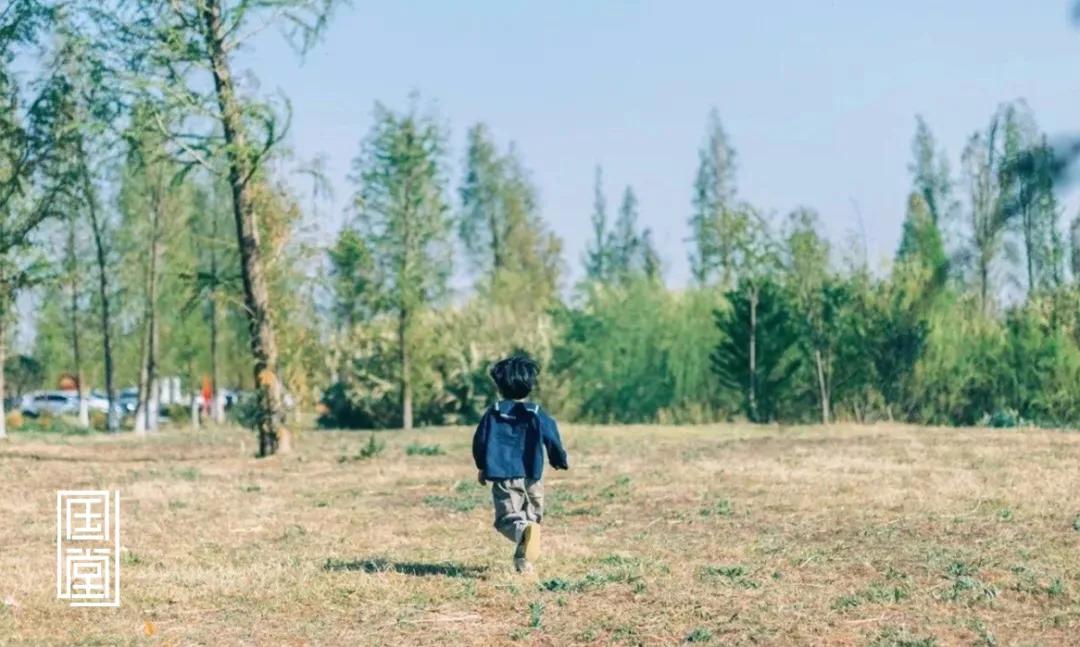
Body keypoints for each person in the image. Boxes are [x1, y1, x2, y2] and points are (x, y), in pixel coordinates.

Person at [472, 354, 569, 574]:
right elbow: (552, 436)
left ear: (499, 386)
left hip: (503, 475)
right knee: (533, 518)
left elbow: (480, 441)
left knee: (509, 520)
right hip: (533, 475)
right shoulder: (535, 412)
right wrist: (558, 459)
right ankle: (523, 563)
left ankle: (522, 533)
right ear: (530, 385)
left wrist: (481, 466)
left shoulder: (494, 412)